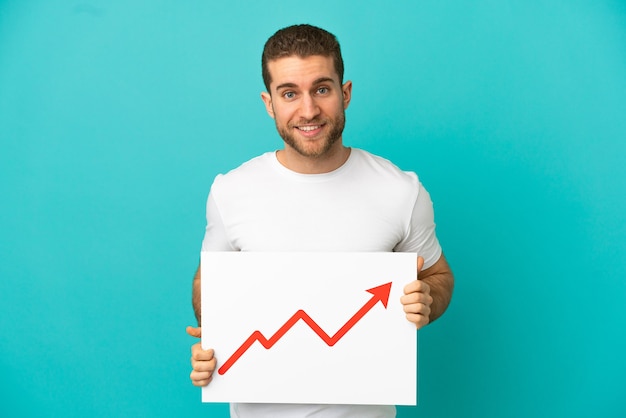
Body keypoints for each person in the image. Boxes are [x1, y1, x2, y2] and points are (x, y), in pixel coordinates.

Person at [186, 24, 454, 418]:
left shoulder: (401, 191)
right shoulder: (231, 191)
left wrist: (426, 302)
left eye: (322, 89)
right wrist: (216, 331)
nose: (308, 110)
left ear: (344, 93)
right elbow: (206, 280)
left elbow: (438, 276)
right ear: (269, 103)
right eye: (290, 93)